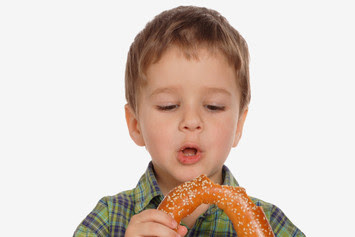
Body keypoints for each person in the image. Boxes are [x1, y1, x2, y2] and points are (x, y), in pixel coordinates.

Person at [74, 6, 305, 237]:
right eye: (169, 105)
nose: (191, 121)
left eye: (214, 106)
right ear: (135, 125)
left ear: (239, 126)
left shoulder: (275, 225)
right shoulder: (107, 220)